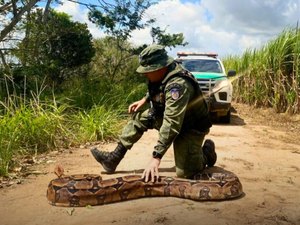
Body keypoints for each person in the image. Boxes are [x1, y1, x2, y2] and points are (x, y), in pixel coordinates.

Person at [91, 44, 216, 182]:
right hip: (173, 117)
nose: (145, 74)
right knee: (139, 118)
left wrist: (156, 158)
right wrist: (144, 99)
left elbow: (171, 123)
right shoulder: (163, 73)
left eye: (148, 70)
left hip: (190, 127)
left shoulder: (178, 85)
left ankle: (206, 153)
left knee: (185, 173)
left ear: (160, 67)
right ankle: (113, 158)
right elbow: (159, 86)